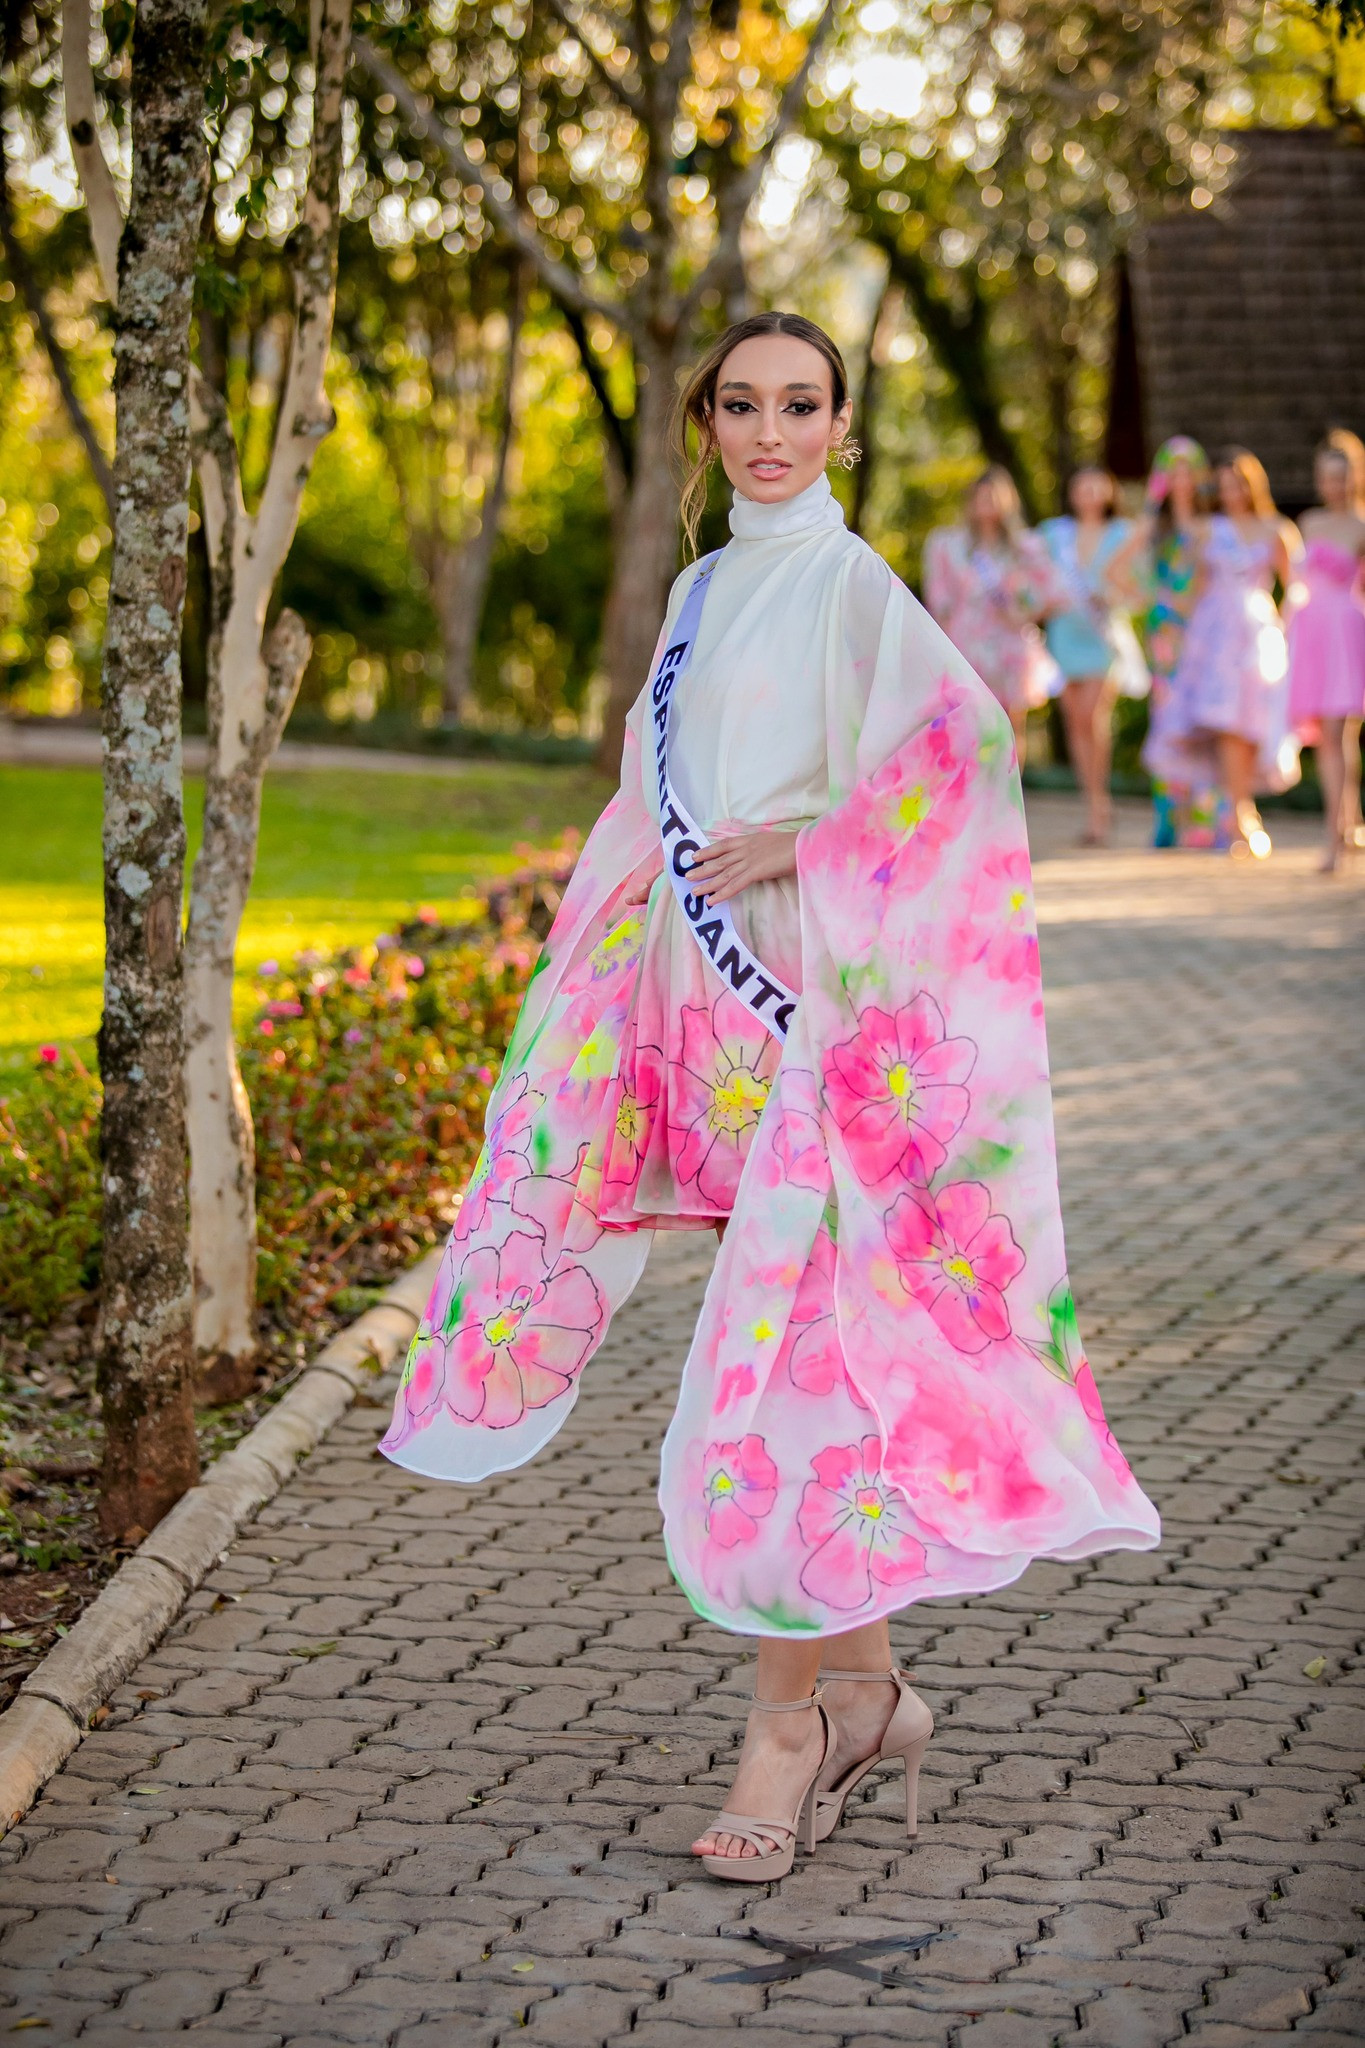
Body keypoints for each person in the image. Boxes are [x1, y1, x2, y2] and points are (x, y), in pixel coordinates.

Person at [379, 312, 1159, 1882]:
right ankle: (868, 1692)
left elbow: (962, 752)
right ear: (710, 421)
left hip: (818, 997)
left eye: (799, 404)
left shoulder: (851, 585)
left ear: (843, 422)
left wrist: (808, 843)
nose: (769, 431)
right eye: (741, 404)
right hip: (705, 1018)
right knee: (820, 1338)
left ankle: (789, 1730)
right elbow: (645, 791)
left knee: (794, 1351)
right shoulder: (701, 584)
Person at [1171, 447, 1300, 857]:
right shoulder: (1210, 530)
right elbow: (1190, 581)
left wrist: (1284, 627)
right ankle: (1240, 814)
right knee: (1226, 725)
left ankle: (1242, 812)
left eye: (1238, 484)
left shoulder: (1276, 528)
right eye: (1223, 485)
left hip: (1259, 636)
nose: (1231, 493)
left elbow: (1296, 585)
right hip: (1217, 636)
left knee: (1251, 723)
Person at [1039, 468, 1150, 847]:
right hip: (1063, 634)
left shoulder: (1125, 533)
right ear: (1071, 493)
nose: (1087, 493)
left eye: (1094, 486)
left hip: (1103, 638)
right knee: (1075, 721)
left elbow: (1140, 585)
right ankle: (1092, 803)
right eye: (1080, 486)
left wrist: (1118, 597)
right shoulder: (1054, 534)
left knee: (1093, 715)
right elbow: (1030, 573)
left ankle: (1100, 803)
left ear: (1108, 491)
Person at [923, 466, 1063, 760]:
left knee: (1010, 726)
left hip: (1009, 646)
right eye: (981, 497)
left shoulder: (1025, 546)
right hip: (965, 645)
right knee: (967, 724)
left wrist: (1023, 616)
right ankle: (974, 800)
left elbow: (1053, 593)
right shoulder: (949, 545)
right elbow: (939, 602)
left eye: (994, 497)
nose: (987, 503)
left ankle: (1011, 800)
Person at [1135, 438, 1223, 848]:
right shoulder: (1155, 526)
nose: (1182, 480)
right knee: (1169, 719)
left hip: (1207, 631)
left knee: (1205, 717)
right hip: (1168, 633)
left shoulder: (1211, 525)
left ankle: (1207, 818)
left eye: (1190, 470)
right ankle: (1169, 817)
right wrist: (1151, 598)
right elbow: (1115, 569)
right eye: (1175, 471)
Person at [1286, 429, 1365, 872]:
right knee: (1329, 737)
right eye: (1327, 477)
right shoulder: (1310, 523)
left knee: (1339, 733)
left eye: (1343, 476)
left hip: (1347, 632)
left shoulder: (1362, 526)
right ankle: (1348, 824)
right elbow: (1298, 584)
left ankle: (1334, 838)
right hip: (1312, 633)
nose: (1335, 485)